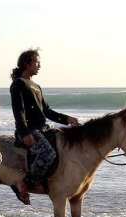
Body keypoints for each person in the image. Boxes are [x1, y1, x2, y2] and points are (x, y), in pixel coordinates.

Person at [10, 48, 79, 187]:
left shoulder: (36, 86)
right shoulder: (19, 84)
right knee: (49, 154)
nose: (39, 66)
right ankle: (28, 183)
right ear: (27, 64)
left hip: (43, 128)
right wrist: (25, 133)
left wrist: (67, 119)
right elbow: (19, 111)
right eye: (37, 62)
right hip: (30, 131)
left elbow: (46, 111)